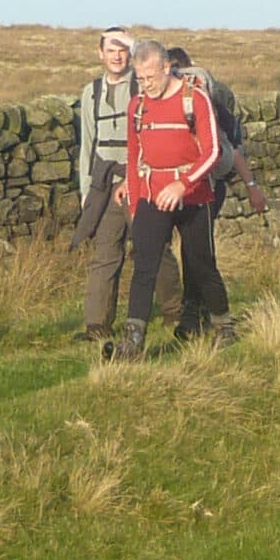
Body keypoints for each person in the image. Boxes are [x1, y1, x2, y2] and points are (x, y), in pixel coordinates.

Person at [110, 41, 234, 360]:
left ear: (166, 68)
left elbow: (212, 153)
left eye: (151, 77)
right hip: (152, 196)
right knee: (144, 266)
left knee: (201, 263)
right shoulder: (137, 105)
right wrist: (137, 207)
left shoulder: (196, 100)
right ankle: (133, 341)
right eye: (140, 78)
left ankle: (223, 326)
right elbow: (135, 157)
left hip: (194, 196)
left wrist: (184, 184)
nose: (146, 84)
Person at [70, 28, 179, 343]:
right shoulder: (90, 92)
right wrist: (87, 190)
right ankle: (97, 325)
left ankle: (174, 312)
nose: (117, 56)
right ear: (100, 54)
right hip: (106, 184)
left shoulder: (144, 84)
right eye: (110, 50)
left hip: (142, 180)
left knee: (154, 247)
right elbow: (88, 143)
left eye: (122, 50)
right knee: (105, 252)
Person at [166, 45, 267, 333]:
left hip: (205, 185)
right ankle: (197, 315)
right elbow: (233, 149)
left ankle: (207, 317)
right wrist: (251, 187)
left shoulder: (202, 102)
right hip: (202, 184)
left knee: (197, 252)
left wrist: (252, 187)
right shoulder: (205, 96)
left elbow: (227, 147)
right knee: (194, 251)